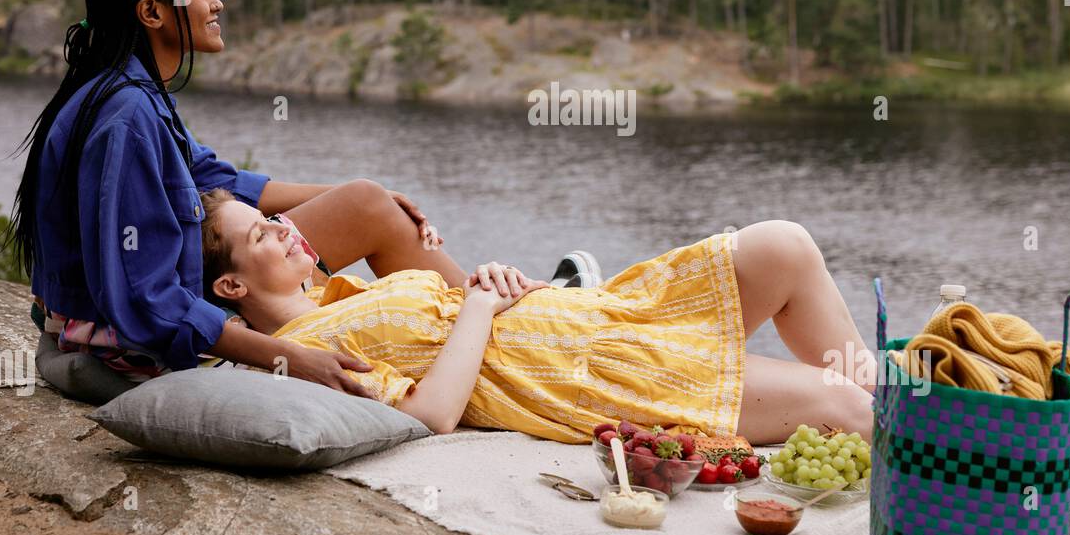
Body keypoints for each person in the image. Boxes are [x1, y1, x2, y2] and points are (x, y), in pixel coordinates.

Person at [9, 0, 597, 393]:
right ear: (152, 13)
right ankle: (514, 329)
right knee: (334, 272)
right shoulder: (124, 118)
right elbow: (146, 300)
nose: (218, 4)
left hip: (166, 296)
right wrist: (293, 357)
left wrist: (357, 197)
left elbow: (215, 179)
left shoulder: (128, 90)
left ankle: (505, 315)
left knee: (367, 202)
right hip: (125, 345)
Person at [199, 188, 875, 446]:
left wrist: (491, 288)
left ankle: (908, 409)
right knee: (843, 405)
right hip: (583, 373)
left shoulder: (335, 295)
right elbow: (431, 413)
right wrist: (481, 303)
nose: (285, 231)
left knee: (785, 244)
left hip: (600, 310)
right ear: (230, 283)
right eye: (262, 235)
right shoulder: (306, 350)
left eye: (274, 221)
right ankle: (933, 441)